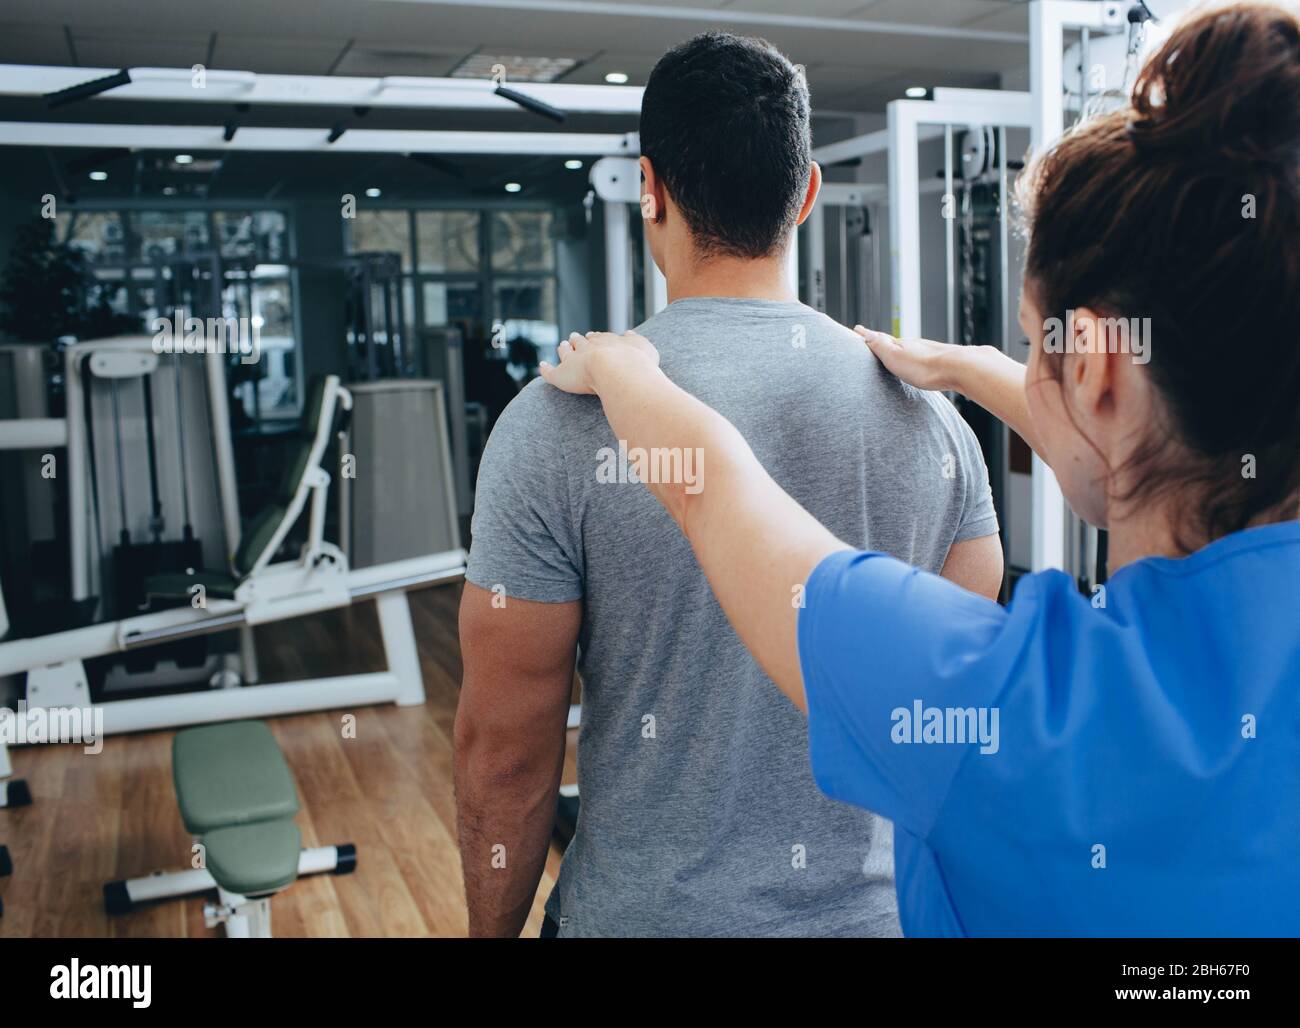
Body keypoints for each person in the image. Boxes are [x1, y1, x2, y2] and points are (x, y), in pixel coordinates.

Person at [538, 2, 1300, 935]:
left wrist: (623, 369)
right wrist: (968, 371)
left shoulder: (1010, 706)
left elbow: (713, 489)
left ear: (1098, 371)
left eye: (1035, 349)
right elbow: (1126, 446)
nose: (1026, 372)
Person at [454, 31, 1003, 937]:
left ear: (649, 188)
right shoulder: (936, 422)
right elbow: (941, 724)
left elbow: (507, 758)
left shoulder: (558, 417)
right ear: (808, 193)